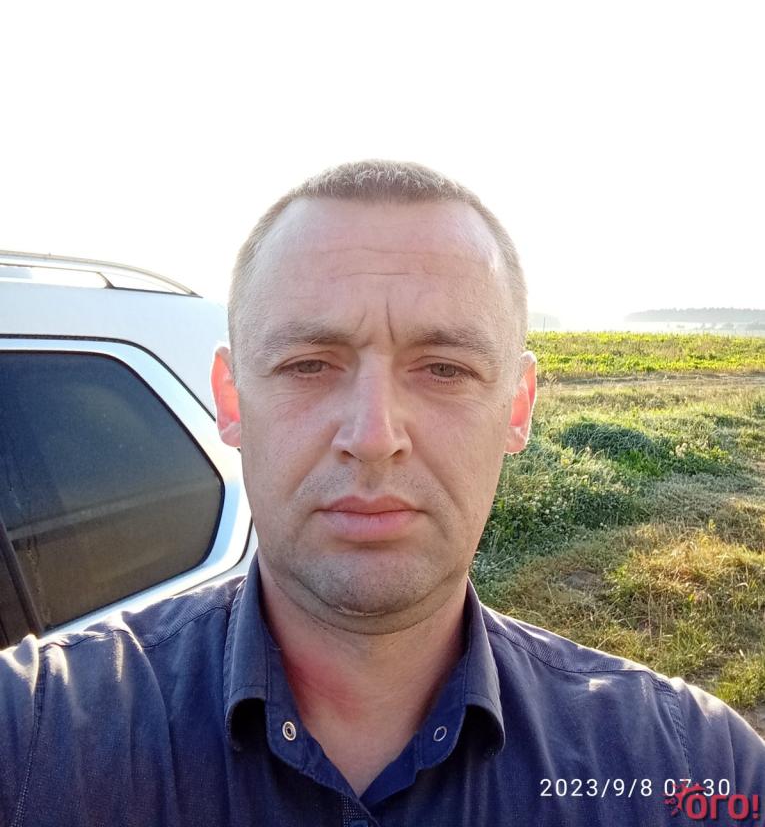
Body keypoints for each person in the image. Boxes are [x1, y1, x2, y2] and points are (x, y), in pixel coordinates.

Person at [1, 159, 763, 827]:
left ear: (517, 406)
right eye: (308, 364)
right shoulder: (27, 738)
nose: (373, 436)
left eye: (443, 369)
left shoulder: (691, 768)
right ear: (231, 401)